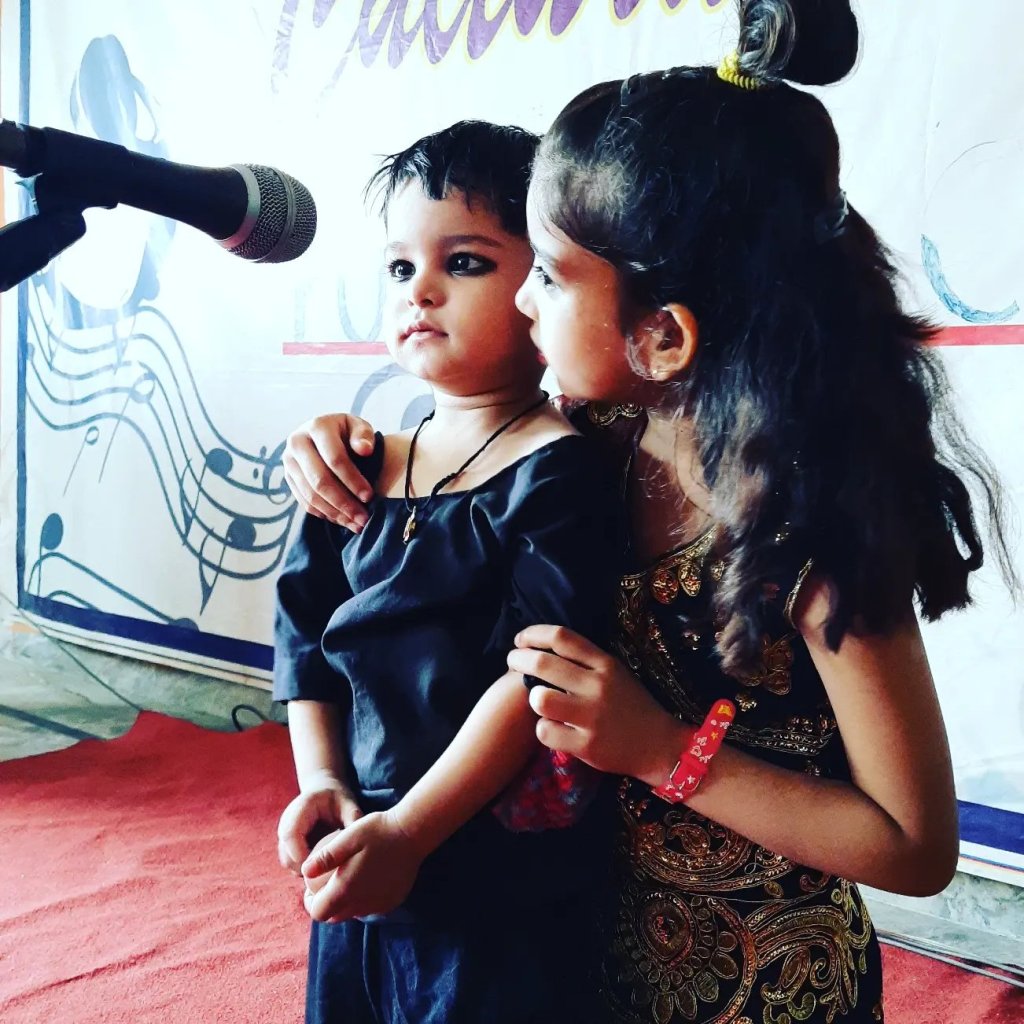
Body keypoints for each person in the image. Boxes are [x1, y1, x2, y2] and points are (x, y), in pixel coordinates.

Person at [280, 2, 1020, 1021]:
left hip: (774, 994)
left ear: (664, 336)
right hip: (580, 959)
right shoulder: (594, 444)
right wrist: (334, 445)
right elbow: (457, 461)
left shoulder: (811, 537)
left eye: (547, 275)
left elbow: (914, 845)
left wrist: (661, 749)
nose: (523, 302)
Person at [272, 120, 624, 1024]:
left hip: (489, 854)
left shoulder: (558, 474)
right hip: (365, 830)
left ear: (542, 286)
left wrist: (412, 831)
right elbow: (305, 639)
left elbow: (534, 676)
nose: (419, 290)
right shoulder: (354, 464)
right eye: (400, 267)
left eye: (464, 263)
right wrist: (322, 781)